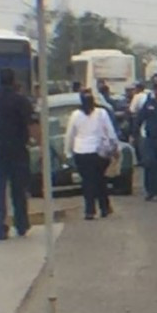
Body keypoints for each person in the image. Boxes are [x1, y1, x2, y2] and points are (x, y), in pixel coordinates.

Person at [0, 68, 39, 239]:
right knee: (19, 189)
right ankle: (21, 224)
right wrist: (41, 146)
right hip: (18, 150)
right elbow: (32, 125)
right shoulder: (21, 101)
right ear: (13, 81)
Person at [64, 89, 119, 220]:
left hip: (81, 153)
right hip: (98, 152)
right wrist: (114, 147)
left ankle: (90, 210)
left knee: (87, 181)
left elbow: (69, 135)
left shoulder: (75, 115)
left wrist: (67, 152)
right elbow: (110, 132)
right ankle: (104, 207)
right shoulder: (101, 113)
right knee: (100, 179)